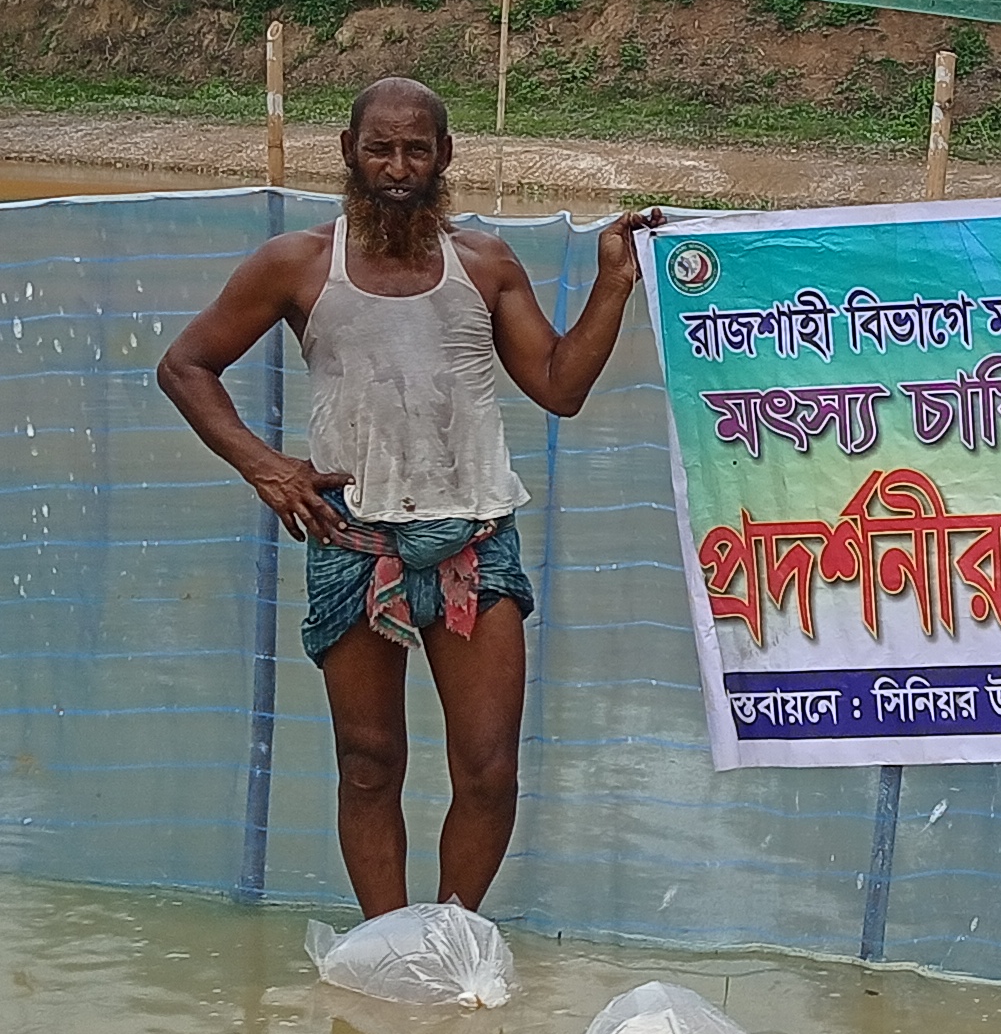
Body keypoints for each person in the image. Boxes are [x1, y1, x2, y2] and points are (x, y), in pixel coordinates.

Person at [158, 76, 654, 915]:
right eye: (380, 148)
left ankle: (452, 934)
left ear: (444, 157)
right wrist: (267, 467)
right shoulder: (298, 264)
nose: (397, 166)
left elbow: (559, 385)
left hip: (475, 542)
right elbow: (185, 366)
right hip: (353, 543)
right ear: (349, 154)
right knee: (368, 759)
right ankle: (389, 942)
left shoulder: (486, 263)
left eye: (415, 149)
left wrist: (613, 282)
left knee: (491, 768)